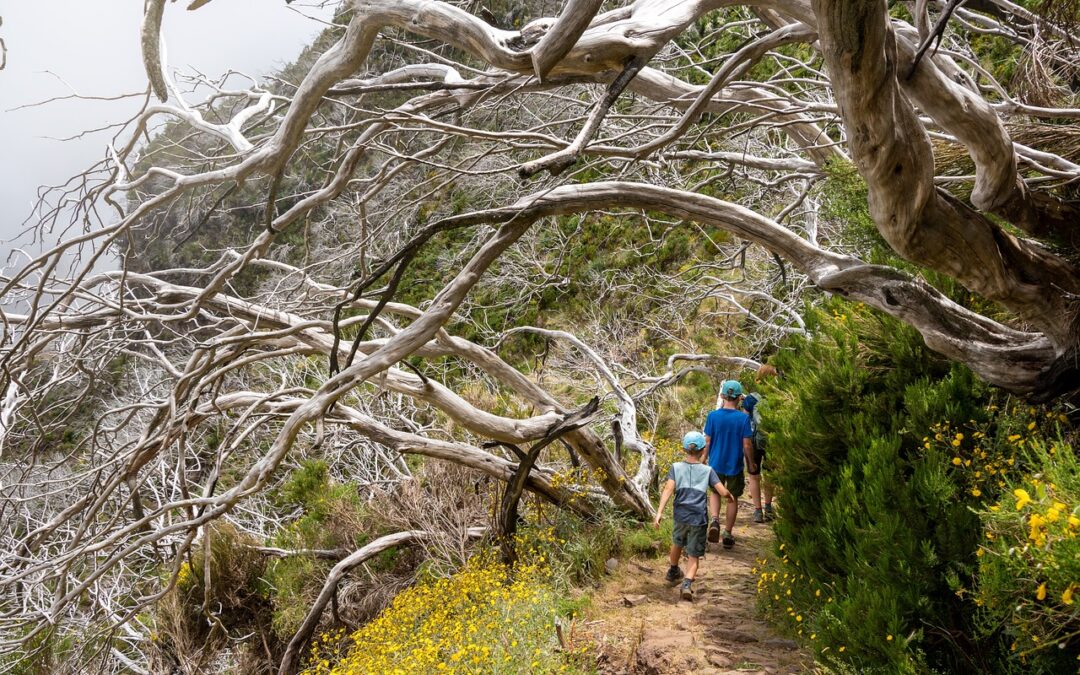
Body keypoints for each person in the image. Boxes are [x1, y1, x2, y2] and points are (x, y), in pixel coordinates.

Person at [653, 431, 734, 600]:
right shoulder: (708, 470)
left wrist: (659, 512)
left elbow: (668, 489)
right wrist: (729, 496)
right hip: (698, 518)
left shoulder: (676, 468)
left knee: (677, 543)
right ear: (703, 450)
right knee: (694, 554)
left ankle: (673, 569)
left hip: (680, 515)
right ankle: (687, 584)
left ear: (684, 449)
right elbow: (721, 491)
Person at [704, 380, 754, 549]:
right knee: (732, 498)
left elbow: (708, 441)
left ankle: (715, 520)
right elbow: (747, 445)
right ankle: (727, 533)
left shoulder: (713, 416)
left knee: (715, 493)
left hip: (715, 464)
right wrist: (751, 463)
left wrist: (703, 460)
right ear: (740, 398)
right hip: (735, 465)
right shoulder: (743, 419)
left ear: (722, 396)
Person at [744, 364, 778, 523]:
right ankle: (769, 507)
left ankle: (758, 511)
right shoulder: (778, 395)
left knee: (754, 475)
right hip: (772, 440)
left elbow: (745, 420)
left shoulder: (751, 398)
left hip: (753, 440)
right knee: (770, 474)